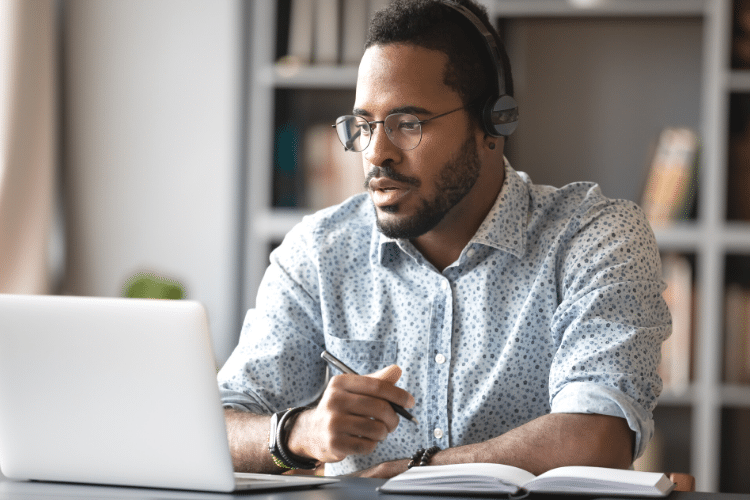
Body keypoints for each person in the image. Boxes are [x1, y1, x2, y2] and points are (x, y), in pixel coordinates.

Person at [218, 0, 670, 479]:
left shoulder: (594, 238)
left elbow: (596, 439)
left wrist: (419, 470)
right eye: (364, 126)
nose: (376, 154)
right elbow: (216, 427)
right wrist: (299, 433)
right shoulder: (319, 252)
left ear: (493, 124)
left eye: (408, 124)